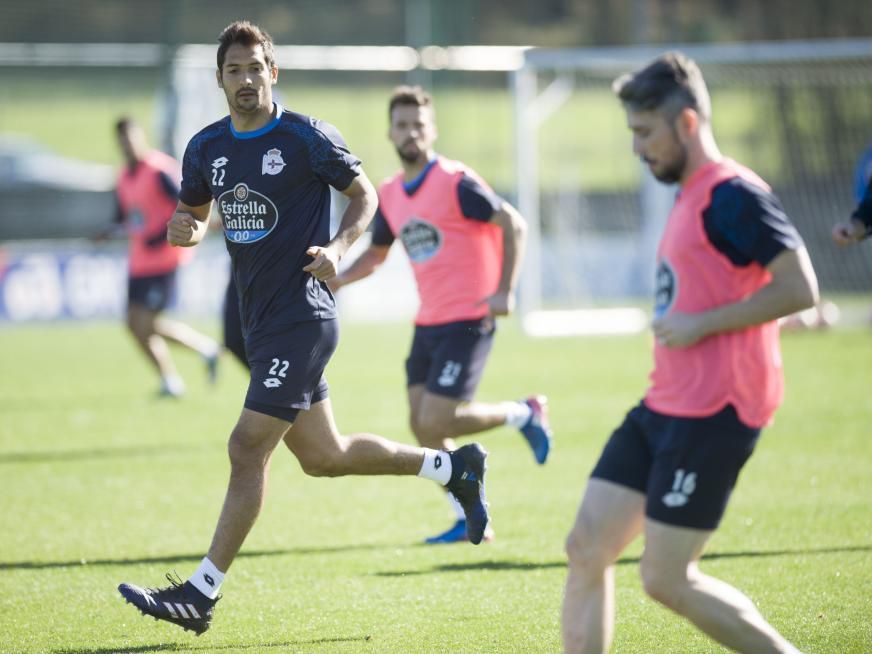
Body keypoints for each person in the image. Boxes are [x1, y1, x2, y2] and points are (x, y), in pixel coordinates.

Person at [117, 21, 490, 636]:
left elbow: (365, 197)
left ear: (274, 71)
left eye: (255, 67)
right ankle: (455, 470)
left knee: (246, 448)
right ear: (220, 79)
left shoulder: (305, 136)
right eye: (234, 70)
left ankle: (201, 592)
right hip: (259, 321)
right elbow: (191, 214)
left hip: (304, 318)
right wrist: (183, 227)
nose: (246, 79)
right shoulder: (205, 146)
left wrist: (340, 248)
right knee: (325, 457)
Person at [561, 52, 817, 654]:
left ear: (688, 125)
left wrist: (702, 323)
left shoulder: (733, 194)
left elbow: (800, 288)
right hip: (665, 404)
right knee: (587, 546)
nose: (636, 148)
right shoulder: (690, 192)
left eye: (644, 133)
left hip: (716, 412)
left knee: (666, 578)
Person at [329, 85, 552, 544]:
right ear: (390, 131)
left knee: (437, 420)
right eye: (402, 125)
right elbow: (377, 255)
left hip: (469, 317)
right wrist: (337, 280)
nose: (410, 132)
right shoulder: (389, 192)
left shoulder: (455, 181)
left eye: (419, 125)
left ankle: (523, 413)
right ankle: (470, 516)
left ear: (432, 130)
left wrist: (505, 290)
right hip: (429, 321)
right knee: (421, 423)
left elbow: (514, 223)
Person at [97, 117, 220, 397]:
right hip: (139, 260)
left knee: (144, 322)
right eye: (123, 141)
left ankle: (172, 379)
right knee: (135, 324)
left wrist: (164, 232)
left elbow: (186, 203)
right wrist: (108, 231)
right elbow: (123, 217)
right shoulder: (124, 177)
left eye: (132, 138)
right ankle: (202, 354)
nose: (128, 145)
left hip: (166, 256)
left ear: (141, 137)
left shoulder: (159, 170)